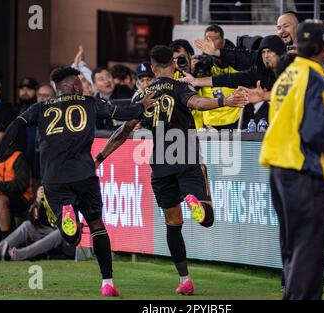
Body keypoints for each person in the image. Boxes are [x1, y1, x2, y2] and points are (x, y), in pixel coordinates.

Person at [0, 66, 155, 297]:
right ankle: (107, 282)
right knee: (97, 226)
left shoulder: (41, 107)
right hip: (84, 175)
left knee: (71, 237)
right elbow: (118, 112)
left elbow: (16, 125)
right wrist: (141, 106)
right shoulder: (88, 103)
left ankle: (68, 213)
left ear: (57, 89)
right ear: (75, 87)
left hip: (54, 178)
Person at [94, 45, 247, 296]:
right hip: (186, 158)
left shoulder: (143, 96)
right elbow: (197, 103)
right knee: (206, 219)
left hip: (161, 165)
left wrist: (100, 157)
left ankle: (185, 279)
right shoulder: (180, 87)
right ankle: (194, 202)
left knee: (172, 223)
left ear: (153, 68)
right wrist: (224, 100)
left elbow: (123, 131)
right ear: (174, 64)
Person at [258, 21, 324, 300]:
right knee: (310, 249)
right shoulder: (314, 77)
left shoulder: (288, 75)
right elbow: (316, 131)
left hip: (280, 169)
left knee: (293, 246)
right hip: (303, 169)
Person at [0, 186, 69, 262]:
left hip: (74, 241)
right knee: (27, 225)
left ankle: (19, 254)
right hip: (53, 235)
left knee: (62, 231)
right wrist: (38, 201)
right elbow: (34, 221)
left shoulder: (72, 196)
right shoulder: (51, 200)